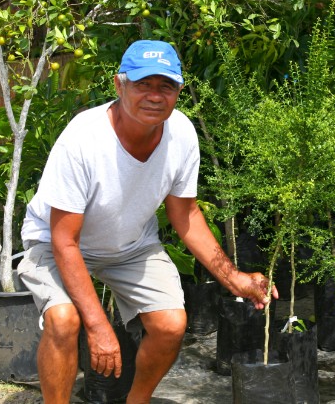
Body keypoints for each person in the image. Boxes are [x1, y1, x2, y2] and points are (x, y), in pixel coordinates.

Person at [17, 39, 278, 403]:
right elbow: (65, 242)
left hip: (130, 245)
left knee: (171, 325)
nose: (155, 96)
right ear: (119, 85)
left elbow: (185, 213)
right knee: (64, 320)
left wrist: (234, 277)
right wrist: (98, 326)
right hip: (56, 243)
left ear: (179, 91)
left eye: (166, 86)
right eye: (143, 85)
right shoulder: (83, 139)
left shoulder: (182, 134)